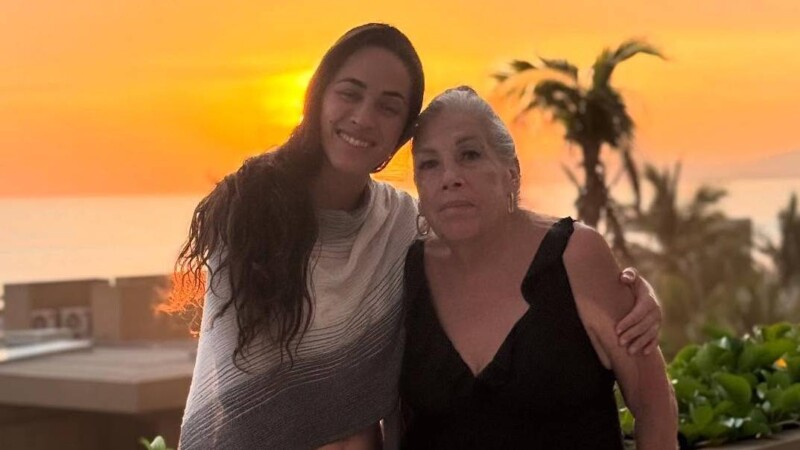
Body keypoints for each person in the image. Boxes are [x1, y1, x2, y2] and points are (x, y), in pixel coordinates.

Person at [169, 24, 663, 450]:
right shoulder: (250, 209)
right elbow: (239, 388)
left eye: (388, 106)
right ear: (317, 97)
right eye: (350, 93)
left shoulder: (399, 226)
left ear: (402, 131)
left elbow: (498, 240)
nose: (364, 117)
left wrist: (632, 292)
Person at [400, 86, 678, 449]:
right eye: (429, 163)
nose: (449, 177)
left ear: (512, 173)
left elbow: (655, 407)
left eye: (470, 155)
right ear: (419, 186)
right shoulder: (406, 269)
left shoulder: (575, 255)